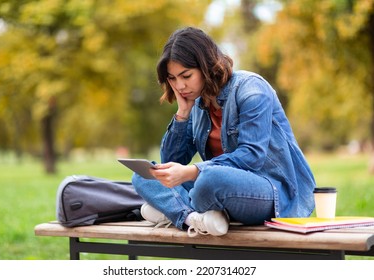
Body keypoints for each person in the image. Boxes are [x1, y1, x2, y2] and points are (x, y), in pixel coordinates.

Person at [132, 26, 316, 237]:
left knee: (208, 182)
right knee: (146, 176)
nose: (180, 86)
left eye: (186, 75)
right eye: (172, 79)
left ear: (207, 66)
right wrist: (182, 113)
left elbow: (252, 157)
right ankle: (193, 218)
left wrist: (194, 171)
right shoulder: (197, 104)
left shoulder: (251, 89)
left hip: (271, 191)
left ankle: (173, 210)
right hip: (218, 190)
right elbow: (172, 162)